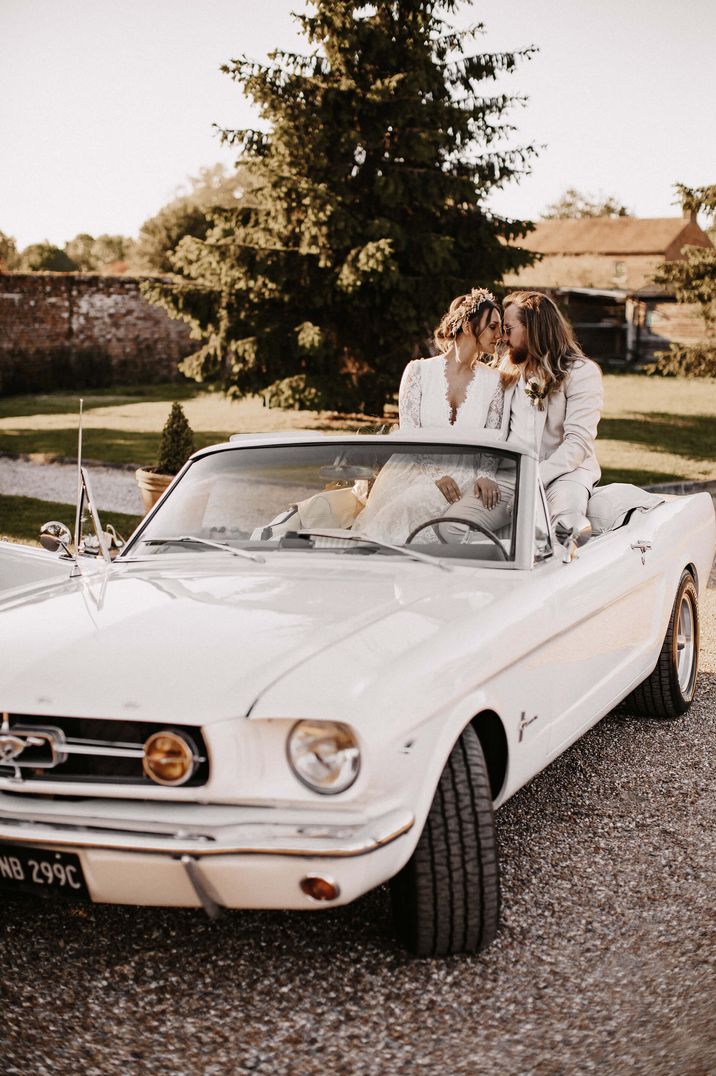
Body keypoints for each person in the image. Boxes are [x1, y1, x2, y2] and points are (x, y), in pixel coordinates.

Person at [352, 288, 510, 544]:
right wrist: (436, 475)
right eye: (493, 326)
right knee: (397, 512)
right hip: (416, 467)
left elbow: (494, 438)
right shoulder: (418, 372)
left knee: (414, 513)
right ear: (469, 327)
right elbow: (410, 432)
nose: (500, 336)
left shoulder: (494, 382)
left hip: (465, 474)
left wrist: (486, 474)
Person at [441, 290, 603, 538]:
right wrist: (488, 474)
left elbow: (578, 444)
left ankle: (536, 552)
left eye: (508, 329)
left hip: (564, 476)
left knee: (567, 531)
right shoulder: (507, 371)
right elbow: (493, 428)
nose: (503, 338)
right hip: (510, 477)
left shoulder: (581, 372)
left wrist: (534, 479)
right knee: (451, 527)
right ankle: (510, 557)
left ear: (534, 329)